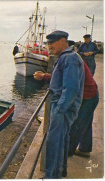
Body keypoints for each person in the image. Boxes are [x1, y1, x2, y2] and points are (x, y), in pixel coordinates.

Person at [38, 30, 85, 179]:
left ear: (63, 41)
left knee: (54, 143)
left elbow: (71, 88)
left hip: (62, 108)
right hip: (63, 107)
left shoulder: (69, 58)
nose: (49, 46)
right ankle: (60, 172)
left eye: (52, 42)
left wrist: (59, 109)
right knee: (62, 141)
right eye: (48, 43)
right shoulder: (67, 57)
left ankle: (51, 177)